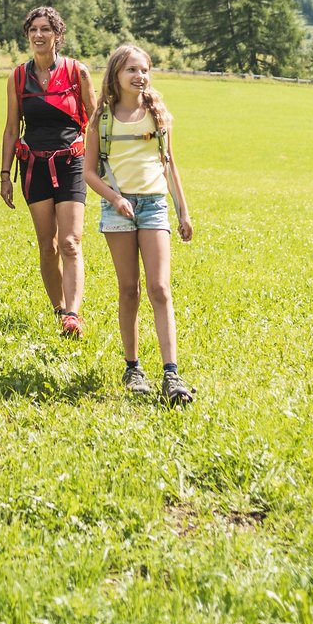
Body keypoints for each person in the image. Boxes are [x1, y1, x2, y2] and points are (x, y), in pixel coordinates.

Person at [83, 43, 196, 403]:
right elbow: (88, 172)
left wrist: (183, 212)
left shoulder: (158, 115)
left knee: (160, 289)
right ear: (116, 75)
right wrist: (115, 198)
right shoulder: (101, 119)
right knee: (129, 289)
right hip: (117, 207)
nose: (140, 76)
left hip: (154, 206)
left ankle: (172, 374)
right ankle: (133, 367)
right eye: (132, 69)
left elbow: (170, 164)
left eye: (144, 69)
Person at [0, 5, 96, 336]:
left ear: (58, 35)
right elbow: (12, 128)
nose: (39, 35)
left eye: (45, 29)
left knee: (70, 242)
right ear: (28, 35)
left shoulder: (76, 72)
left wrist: (100, 166)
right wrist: (4, 174)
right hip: (33, 167)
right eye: (33, 30)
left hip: (71, 164)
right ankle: (59, 310)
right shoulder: (18, 76)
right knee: (47, 244)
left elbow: (94, 122)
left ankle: (73, 314)